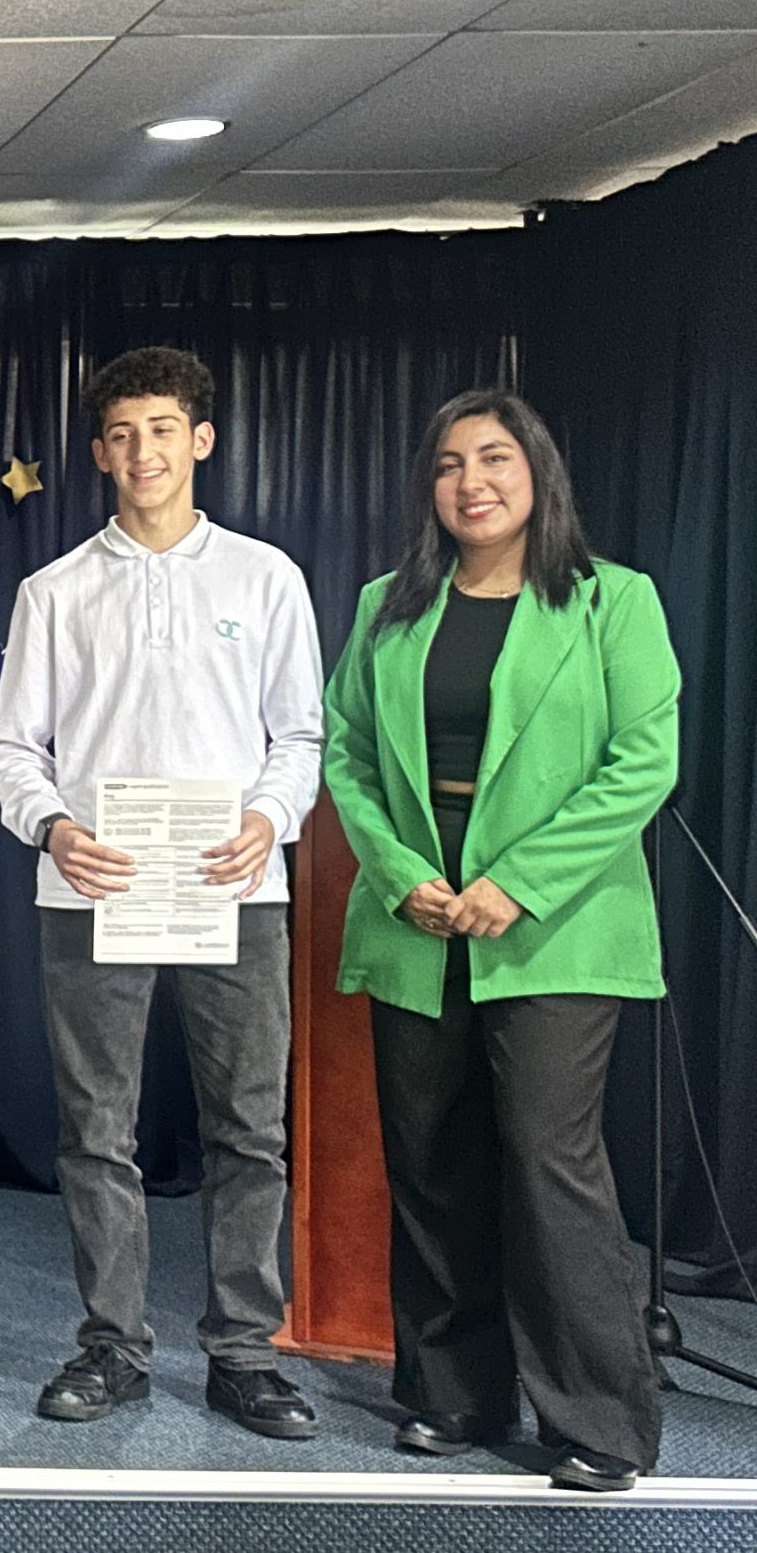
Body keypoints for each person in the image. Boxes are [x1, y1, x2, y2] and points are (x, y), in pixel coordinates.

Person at [322, 388, 673, 1493]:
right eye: (447, 464)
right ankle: (453, 1394)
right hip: (418, 920)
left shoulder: (614, 600)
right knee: (431, 1160)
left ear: (537, 474)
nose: (469, 481)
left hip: (555, 927)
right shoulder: (387, 606)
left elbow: (643, 760)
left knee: (545, 1160)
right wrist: (403, 875)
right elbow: (345, 754)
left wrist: (515, 885)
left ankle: (597, 1419)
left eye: (493, 458)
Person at [0, 346, 323, 1439]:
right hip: (93, 887)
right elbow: (11, 747)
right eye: (123, 435)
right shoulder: (53, 590)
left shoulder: (265, 577)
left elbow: (301, 735)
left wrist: (268, 819)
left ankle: (245, 1352)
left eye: (164, 430)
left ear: (201, 440)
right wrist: (52, 826)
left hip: (237, 887)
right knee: (96, 1129)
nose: (144, 452)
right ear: (99, 453)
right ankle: (112, 1347)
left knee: (250, 1129)